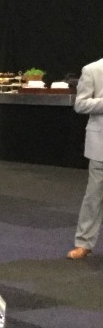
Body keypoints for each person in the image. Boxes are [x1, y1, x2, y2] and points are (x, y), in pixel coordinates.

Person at [68, 56, 103, 259]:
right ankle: (84, 243)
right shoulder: (92, 69)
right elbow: (80, 105)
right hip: (100, 146)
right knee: (94, 197)